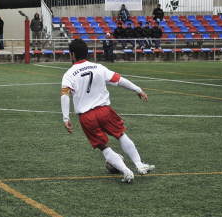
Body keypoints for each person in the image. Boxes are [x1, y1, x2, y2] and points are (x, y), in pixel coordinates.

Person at [61, 39, 155, 183]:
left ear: (72, 55)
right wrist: (138, 89)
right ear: (87, 52)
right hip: (105, 111)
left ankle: (126, 171)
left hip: (86, 117)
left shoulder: (69, 74)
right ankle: (139, 164)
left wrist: (66, 118)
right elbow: (119, 80)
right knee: (121, 135)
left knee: (105, 148)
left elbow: (65, 96)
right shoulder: (99, 67)